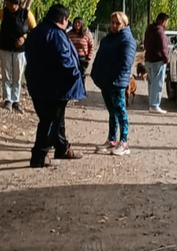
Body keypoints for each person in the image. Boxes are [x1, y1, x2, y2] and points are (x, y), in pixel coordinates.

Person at [25, 4, 85, 167]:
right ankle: (39, 155)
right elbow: (65, 60)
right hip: (55, 88)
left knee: (56, 119)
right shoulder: (57, 35)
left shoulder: (36, 31)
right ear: (63, 19)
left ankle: (62, 147)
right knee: (50, 121)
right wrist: (76, 75)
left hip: (37, 83)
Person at [91, 11, 136, 156]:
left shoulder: (127, 40)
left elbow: (126, 63)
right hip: (105, 82)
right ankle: (112, 140)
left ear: (124, 24)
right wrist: (96, 75)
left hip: (117, 83)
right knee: (112, 112)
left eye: (118, 23)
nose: (114, 25)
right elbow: (99, 58)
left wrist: (115, 78)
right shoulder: (107, 39)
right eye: (113, 22)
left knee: (121, 112)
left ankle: (124, 142)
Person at [0, 0, 37, 113]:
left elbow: (34, 30)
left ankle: (16, 100)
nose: (7, 6)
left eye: (9, 4)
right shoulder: (4, 12)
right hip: (4, 47)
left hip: (20, 50)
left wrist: (24, 37)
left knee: (18, 75)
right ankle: (8, 99)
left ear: (16, 4)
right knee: (6, 74)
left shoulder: (26, 14)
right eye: (6, 4)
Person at [144, 13, 170, 115]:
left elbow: (145, 44)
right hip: (158, 61)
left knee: (151, 83)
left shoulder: (149, 30)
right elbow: (164, 47)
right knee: (158, 83)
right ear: (163, 21)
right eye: (166, 22)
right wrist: (166, 58)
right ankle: (154, 105)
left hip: (148, 59)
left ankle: (152, 104)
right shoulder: (160, 32)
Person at [66, 17, 95, 84]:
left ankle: (82, 91)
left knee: (82, 75)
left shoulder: (86, 34)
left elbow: (91, 46)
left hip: (82, 58)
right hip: (72, 58)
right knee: (72, 75)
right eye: (75, 22)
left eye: (78, 22)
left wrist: (88, 58)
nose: (77, 24)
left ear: (82, 24)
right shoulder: (69, 34)